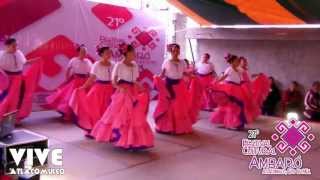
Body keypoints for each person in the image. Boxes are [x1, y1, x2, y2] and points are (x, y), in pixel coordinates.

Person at [91, 43, 153, 150]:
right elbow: (113, 81)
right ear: (126, 53)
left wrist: (142, 87)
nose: (134, 54)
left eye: (134, 52)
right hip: (123, 91)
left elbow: (135, 80)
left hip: (133, 91)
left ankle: (134, 140)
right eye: (132, 52)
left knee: (136, 114)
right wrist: (119, 88)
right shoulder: (119, 65)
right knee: (121, 115)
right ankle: (122, 138)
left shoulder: (134, 65)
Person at [69, 46, 114, 137]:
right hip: (98, 89)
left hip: (110, 89)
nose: (109, 54)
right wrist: (83, 87)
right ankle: (94, 130)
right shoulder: (96, 64)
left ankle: (106, 132)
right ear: (101, 54)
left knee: (108, 111)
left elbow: (115, 78)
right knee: (95, 110)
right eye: (107, 53)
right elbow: (91, 78)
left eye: (110, 53)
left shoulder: (113, 64)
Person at [153, 43, 198, 134]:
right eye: (174, 51)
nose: (176, 52)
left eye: (177, 50)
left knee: (179, 106)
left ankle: (178, 127)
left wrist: (191, 76)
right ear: (171, 51)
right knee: (170, 106)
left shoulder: (182, 62)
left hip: (179, 86)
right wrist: (157, 78)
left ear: (179, 51)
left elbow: (184, 73)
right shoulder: (166, 62)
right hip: (168, 85)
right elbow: (163, 74)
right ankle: (167, 127)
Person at [0, 38, 41, 124]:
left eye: (16, 45)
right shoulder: (1, 55)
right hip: (6, 80)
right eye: (13, 46)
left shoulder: (18, 53)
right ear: (7, 46)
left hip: (18, 79)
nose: (16, 47)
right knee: (7, 99)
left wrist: (34, 61)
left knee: (16, 99)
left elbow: (24, 63)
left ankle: (12, 120)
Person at [46, 44, 92, 121]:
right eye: (82, 51)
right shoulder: (73, 60)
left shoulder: (88, 62)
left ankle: (80, 115)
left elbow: (91, 73)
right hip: (76, 81)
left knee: (83, 98)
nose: (84, 53)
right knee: (71, 97)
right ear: (78, 52)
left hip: (84, 82)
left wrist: (89, 81)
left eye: (85, 52)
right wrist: (67, 78)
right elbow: (68, 69)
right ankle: (68, 114)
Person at [210, 54, 253, 130]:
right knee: (233, 106)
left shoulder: (239, 69)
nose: (238, 62)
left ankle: (236, 123)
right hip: (230, 88)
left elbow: (244, 75)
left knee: (238, 105)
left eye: (238, 61)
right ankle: (232, 123)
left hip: (238, 88)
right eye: (237, 61)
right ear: (232, 62)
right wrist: (215, 83)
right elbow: (223, 78)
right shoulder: (229, 69)